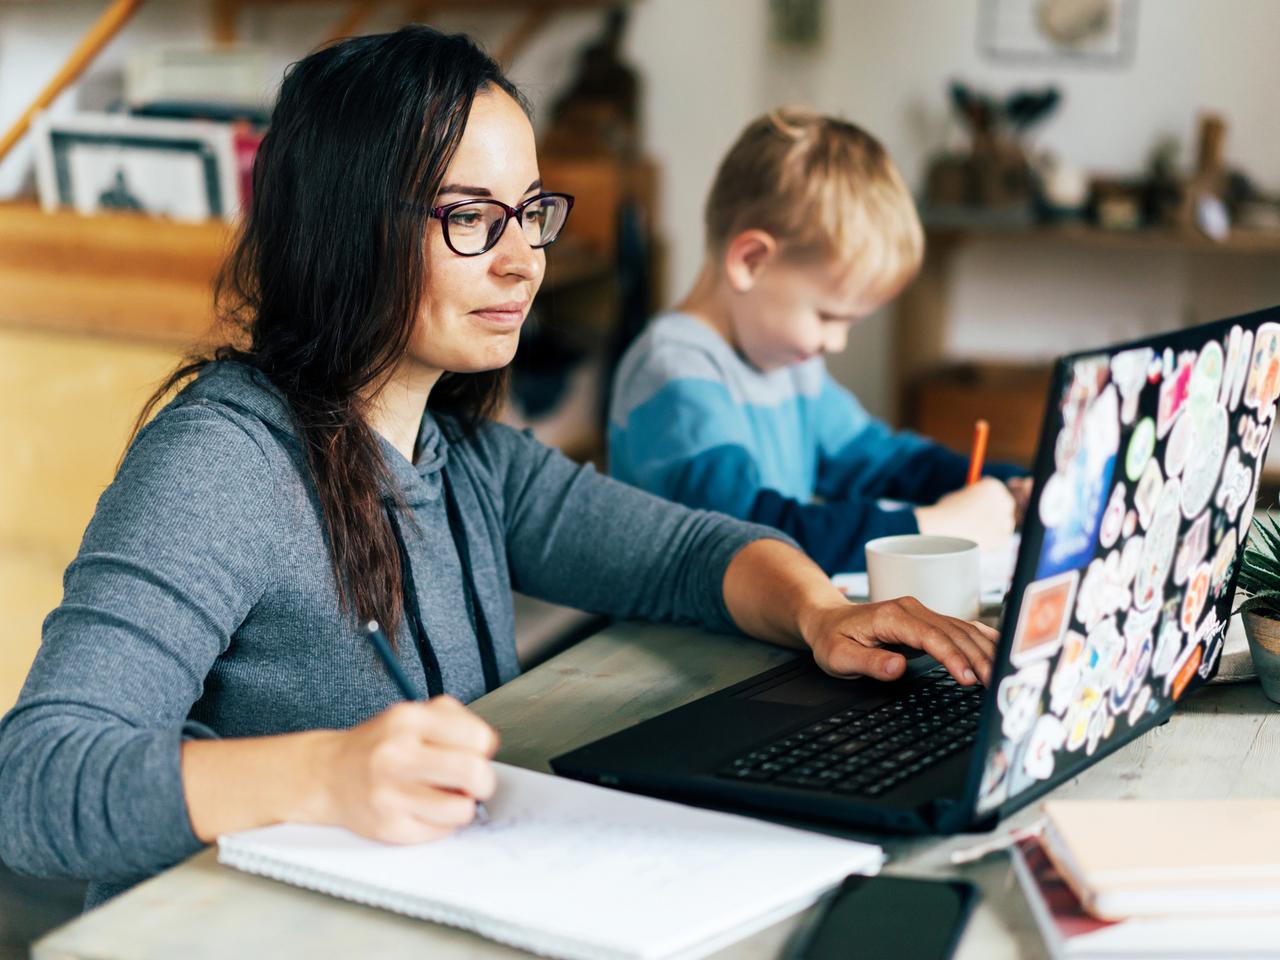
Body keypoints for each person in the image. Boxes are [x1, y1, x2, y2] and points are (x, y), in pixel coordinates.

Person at [0, 30, 998, 909]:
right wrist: (324, 774)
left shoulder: (467, 456)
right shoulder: (219, 463)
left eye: (528, 213)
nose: (524, 260)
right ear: (347, 229)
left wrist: (818, 613)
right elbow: (35, 784)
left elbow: (688, 552)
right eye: (471, 217)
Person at [608, 108, 1031, 574]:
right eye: (828, 315)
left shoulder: (788, 363)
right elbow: (753, 537)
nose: (837, 342)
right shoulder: (674, 373)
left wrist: (1010, 484)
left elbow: (882, 462)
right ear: (750, 261)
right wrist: (930, 526)